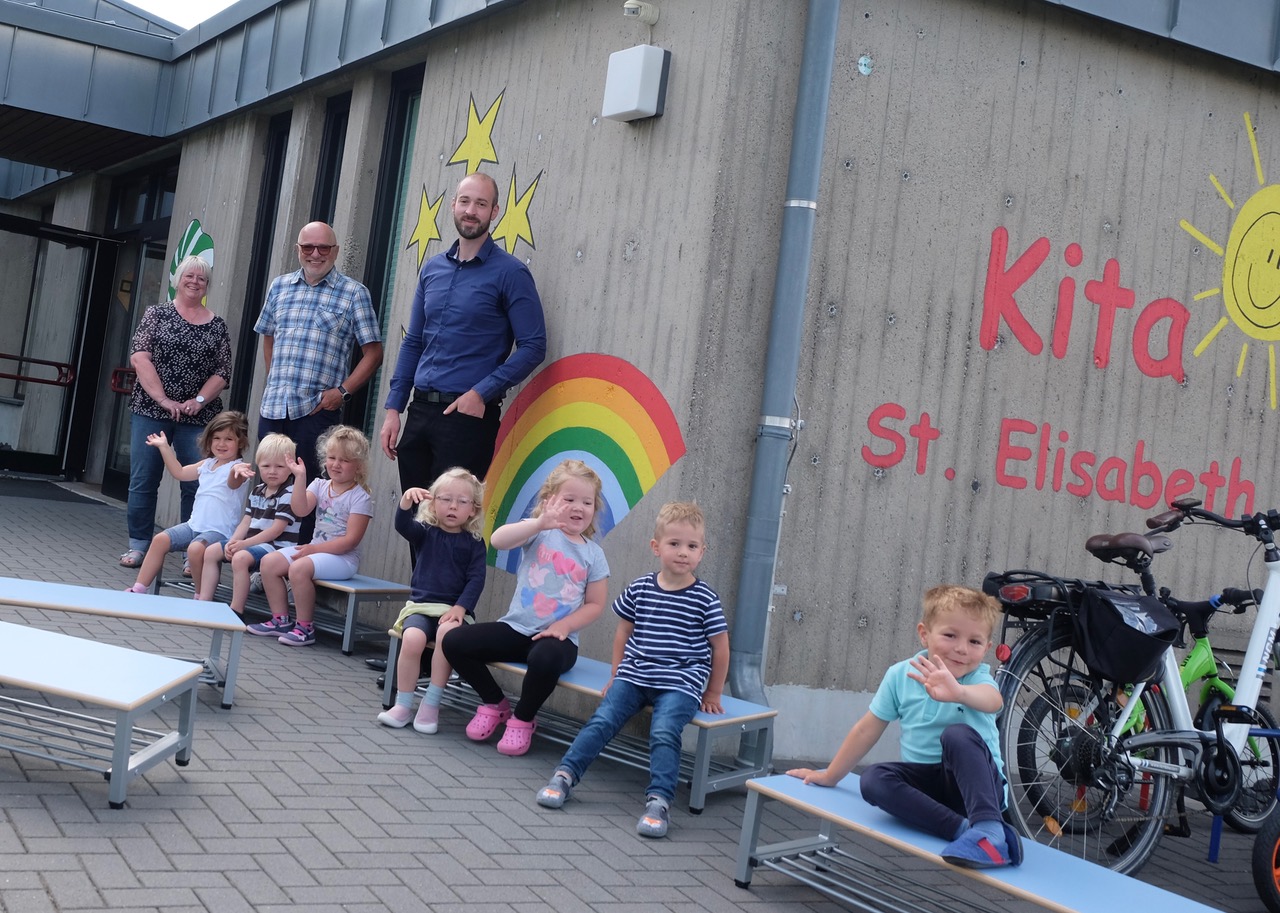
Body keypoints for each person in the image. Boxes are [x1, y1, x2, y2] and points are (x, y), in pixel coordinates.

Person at [786, 585, 1023, 870]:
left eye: (974, 642)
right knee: (873, 779)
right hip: (928, 796)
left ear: (986, 649)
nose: (962, 648)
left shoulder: (976, 677)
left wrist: (959, 693)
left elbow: (994, 700)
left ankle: (989, 829)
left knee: (957, 735)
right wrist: (831, 774)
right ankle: (965, 831)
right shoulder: (901, 675)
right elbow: (868, 728)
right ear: (925, 633)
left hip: (979, 790)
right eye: (950, 635)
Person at [535, 501, 729, 839]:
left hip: (680, 683)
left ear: (702, 552)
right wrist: (616, 673)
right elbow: (623, 632)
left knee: (664, 731)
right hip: (635, 675)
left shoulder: (705, 598)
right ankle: (565, 775)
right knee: (602, 720)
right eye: (674, 544)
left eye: (692, 546)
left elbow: (720, 647)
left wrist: (712, 691)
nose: (683, 552)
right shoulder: (640, 588)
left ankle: (659, 801)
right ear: (656, 547)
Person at [379, 172, 547, 493]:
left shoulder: (511, 273)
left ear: (494, 212)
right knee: (417, 524)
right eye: (465, 201)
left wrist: (481, 392)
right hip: (419, 413)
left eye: (481, 204)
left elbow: (534, 346)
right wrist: (393, 410)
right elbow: (414, 342)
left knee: (451, 528)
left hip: (467, 418)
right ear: (453, 205)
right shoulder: (432, 269)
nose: (471, 211)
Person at [442, 459, 609, 756]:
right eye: (569, 499)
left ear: (594, 509)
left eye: (587, 502)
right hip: (515, 629)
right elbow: (498, 540)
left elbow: (596, 604)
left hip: (558, 641)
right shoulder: (539, 531)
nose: (578, 507)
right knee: (454, 640)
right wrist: (540, 523)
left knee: (545, 660)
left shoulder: (593, 554)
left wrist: (564, 626)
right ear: (549, 500)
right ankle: (495, 703)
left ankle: (523, 719)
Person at [254, 221, 383, 504]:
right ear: (297, 249)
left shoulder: (354, 293)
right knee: (268, 488)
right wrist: (273, 379)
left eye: (323, 247)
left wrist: (343, 392)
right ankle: (263, 547)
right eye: (308, 247)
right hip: (274, 407)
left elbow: (373, 352)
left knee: (310, 493)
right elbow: (268, 337)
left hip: (315, 412)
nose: (315, 253)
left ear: (335, 251)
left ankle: (302, 549)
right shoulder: (279, 286)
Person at [121, 254, 232, 570]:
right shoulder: (156, 314)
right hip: (150, 411)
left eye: (202, 278)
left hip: (198, 417)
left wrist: (197, 401)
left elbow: (223, 371)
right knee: (144, 479)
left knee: (197, 484)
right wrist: (163, 400)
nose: (195, 282)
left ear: (207, 285)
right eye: (190, 276)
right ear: (178, 279)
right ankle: (139, 546)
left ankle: (192, 553)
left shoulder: (217, 325)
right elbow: (140, 358)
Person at [376, 467, 486, 733]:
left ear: (472, 509)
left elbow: (476, 580)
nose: (453, 506)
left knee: (447, 638)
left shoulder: (474, 542)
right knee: (412, 639)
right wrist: (405, 502)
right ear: (433, 502)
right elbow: (403, 525)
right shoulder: (425, 532)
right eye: (445, 499)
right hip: (421, 607)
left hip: (454, 611)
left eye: (462, 502)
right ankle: (403, 704)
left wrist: (461, 607)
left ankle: (431, 703)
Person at [246, 425, 373, 647]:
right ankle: (280, 620)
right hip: (315, 551)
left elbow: (350, 541)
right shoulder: (320, 485)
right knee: (269, 562)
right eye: (332, 457)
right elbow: (300, 510)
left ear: (359, 466)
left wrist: (313, 550)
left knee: (298, 567)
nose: (335, 464)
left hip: (343, 559)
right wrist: (300, 477)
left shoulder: (360, 497)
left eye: (344, 460)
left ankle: (305, 627)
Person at [123, 411, 249, 595]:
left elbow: (233, 482)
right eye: (217, 438)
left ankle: (201, 594)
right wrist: (164, 447)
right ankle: (139, 588)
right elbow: (180, 472)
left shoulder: (238, 468)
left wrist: (236, 470)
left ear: (240, 442)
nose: (221, 444)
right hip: (193, 525)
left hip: (219, 532)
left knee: (195, 549)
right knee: (159, 540)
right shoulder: (207, 464)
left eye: (229, 439)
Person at [195, 433, 302, 615]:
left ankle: (236, 610)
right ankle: (204, 601)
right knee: (212, 551)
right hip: (252, 545)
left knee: (240, 558)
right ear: (258, 466)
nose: (272, 471)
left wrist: (243, 544)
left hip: (276, 548)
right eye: (266, 466)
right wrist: (233, 541)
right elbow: (246, 521)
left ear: (291, 468)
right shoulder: (258, 491)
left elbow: (276, 530)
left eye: (279, 466)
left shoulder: (288, 494)